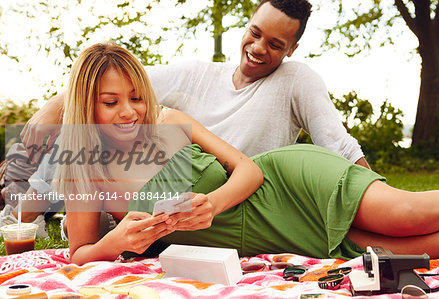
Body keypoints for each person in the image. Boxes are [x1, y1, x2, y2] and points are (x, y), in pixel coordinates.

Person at [54, 42, 439, 266]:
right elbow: (78, 254)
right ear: (86, 107)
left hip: (291, 186)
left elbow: (248, 169)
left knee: (408, 216)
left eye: (137, 96)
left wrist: (211, 203)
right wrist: (114, 241)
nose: (130, 110)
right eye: (111, 102)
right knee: (410, 250)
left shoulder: (168, 121)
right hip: (275, 238)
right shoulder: (85, 173)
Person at [9, 0, 370, 231]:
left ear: (292, 48)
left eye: (275, 44)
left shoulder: (296, 80)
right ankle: (21, 212)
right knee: (78, 136)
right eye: (255, 33)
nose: (259, 48)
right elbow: (110, 89)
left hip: (232, 197)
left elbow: (338, 143)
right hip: (158, 194)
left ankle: (29, 209)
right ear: (246, 25)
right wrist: (51, 108)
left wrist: (369, 190)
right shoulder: (197, 72)